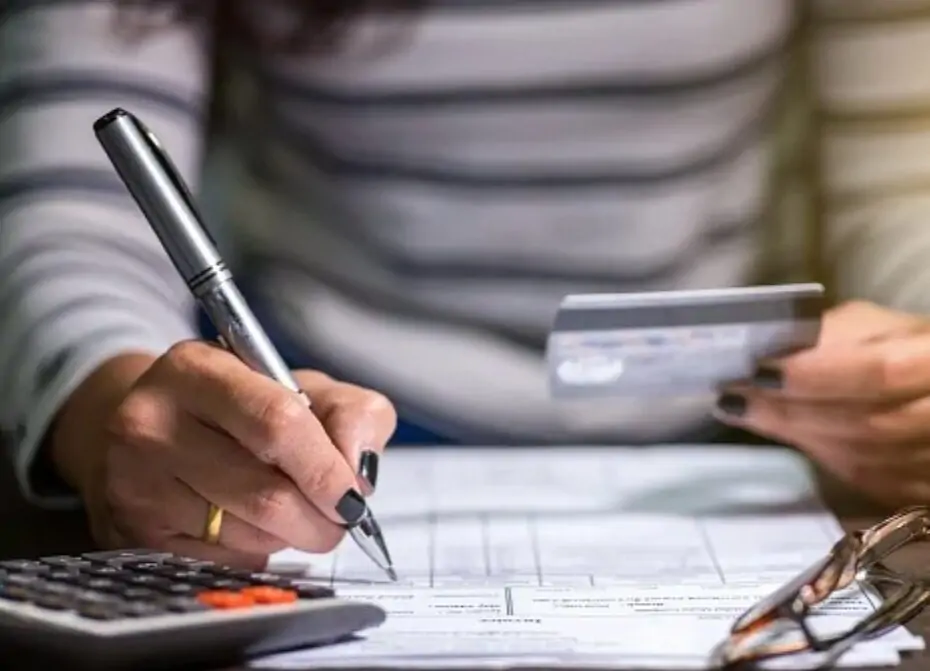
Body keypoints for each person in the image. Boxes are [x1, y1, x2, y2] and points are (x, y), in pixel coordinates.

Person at [3, 0, 930, 568]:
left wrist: (914, 363)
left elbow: (906, 188)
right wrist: (118, 416)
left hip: (746, 436)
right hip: (307, 428)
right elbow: (70, 217)